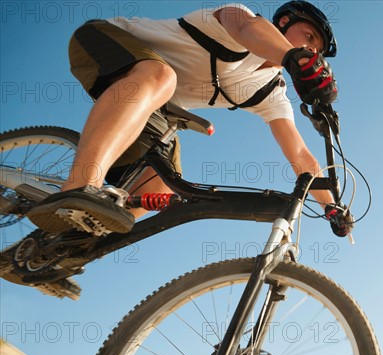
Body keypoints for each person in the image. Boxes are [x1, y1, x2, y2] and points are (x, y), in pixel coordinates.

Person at [2, 1, 351, 297]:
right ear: (284, 23)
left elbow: (300, 156)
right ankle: (79, 184)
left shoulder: (269, 91)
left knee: (159, 187)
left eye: (316, 48)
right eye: (309, 37)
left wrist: (333, 208)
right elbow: (246, 28)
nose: (313, 50)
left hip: (154, 106)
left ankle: (48, 250)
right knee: (160, 76)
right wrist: (291, 56)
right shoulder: (241, 20)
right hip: (107, 43)